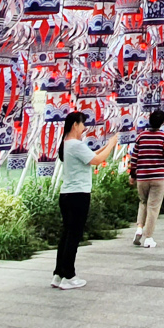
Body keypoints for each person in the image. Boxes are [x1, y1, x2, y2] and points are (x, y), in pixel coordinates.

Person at [53, 111, 115, 289]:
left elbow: (91, 155)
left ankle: (58, 274)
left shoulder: (66, 144)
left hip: (67, 195)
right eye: (82, 124)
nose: (84, 128)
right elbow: (97, 160)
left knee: (66, 234)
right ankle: (69, 276)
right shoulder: (75, 144)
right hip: (78, 195)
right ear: (75, 125)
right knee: (74, 235)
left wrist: (105, 146)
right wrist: (110, 145)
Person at [130, 107, 164, 248]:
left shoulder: (141, 137)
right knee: (153, 207)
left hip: (142, 177)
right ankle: (148, 237)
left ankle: (139, 228)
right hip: (157, 177)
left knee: (143, 202)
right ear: (162, 122)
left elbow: (134, 157)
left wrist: (132, 174)